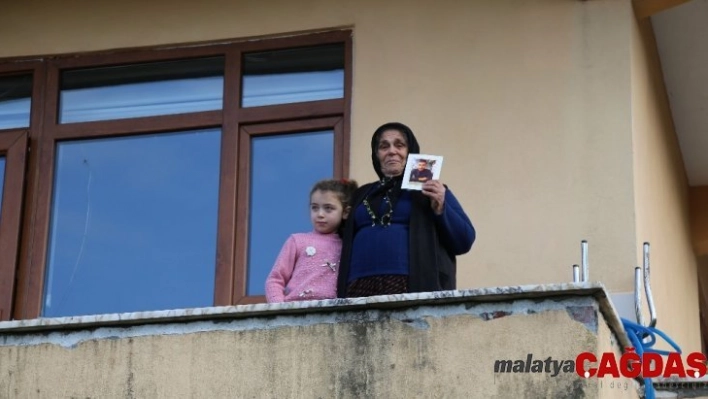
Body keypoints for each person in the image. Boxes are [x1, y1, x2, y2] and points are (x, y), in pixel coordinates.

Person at [337, 122, 475, 298]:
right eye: (384, 146)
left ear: (410, 152)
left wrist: (441, 207)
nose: (392, 151)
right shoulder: (360, 194)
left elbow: (465, 240)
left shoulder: (432, 190)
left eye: (399, 145)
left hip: (414, 284)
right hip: (358, 286)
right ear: (376, 154)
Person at [265, 178, 358, 303]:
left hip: (332, 311)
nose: (320, 214)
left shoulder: (348, 246)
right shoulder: (297, 241)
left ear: (345, 212)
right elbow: (275, 279)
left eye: (328, 208)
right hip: (295, 310)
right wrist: (278, 308)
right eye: (315, 208)